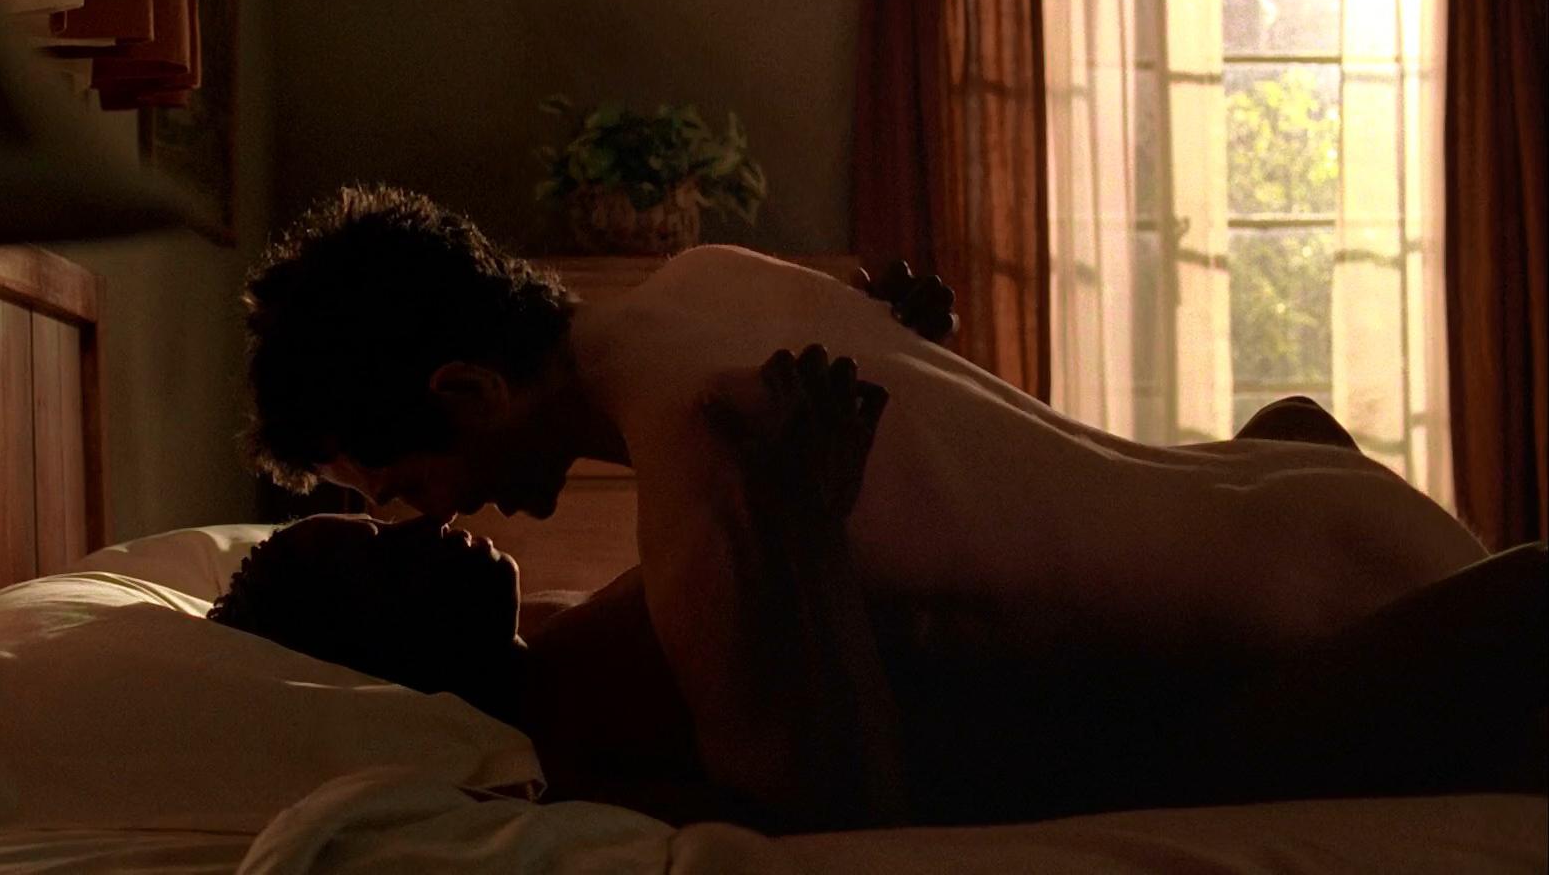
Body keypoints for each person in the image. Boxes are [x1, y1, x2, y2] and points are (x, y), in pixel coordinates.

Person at [232, 185, 1511, 828]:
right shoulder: (708, 275)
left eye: (407, 490)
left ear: (466, 391)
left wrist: (792, 536)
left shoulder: (708, 470)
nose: (442, 519)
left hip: (1357, 618)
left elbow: (835, 824)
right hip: (1328, 499)